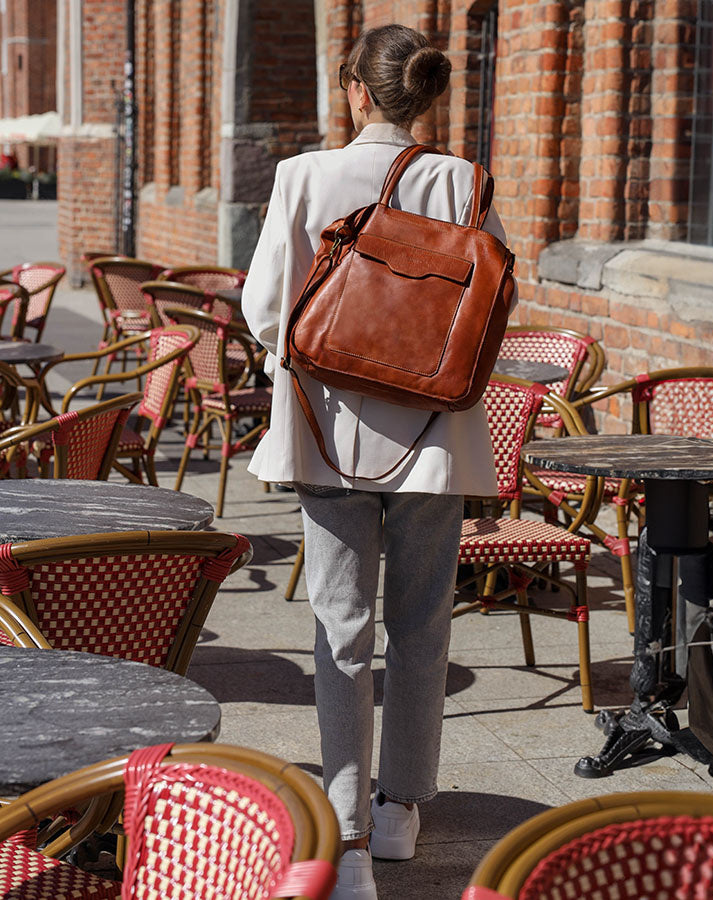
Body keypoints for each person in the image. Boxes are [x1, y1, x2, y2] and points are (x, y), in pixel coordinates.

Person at [242, 23, 517, 900]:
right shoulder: (464, 180)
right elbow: (499, 303)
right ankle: (402, 809)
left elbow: (261, 309)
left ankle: (348, 834)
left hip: (327, 436)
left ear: (355, 90)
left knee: (339, 629)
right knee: (424, 623)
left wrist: (335, 361)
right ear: (426, 96)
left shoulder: (303, 176)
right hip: (434, 437)